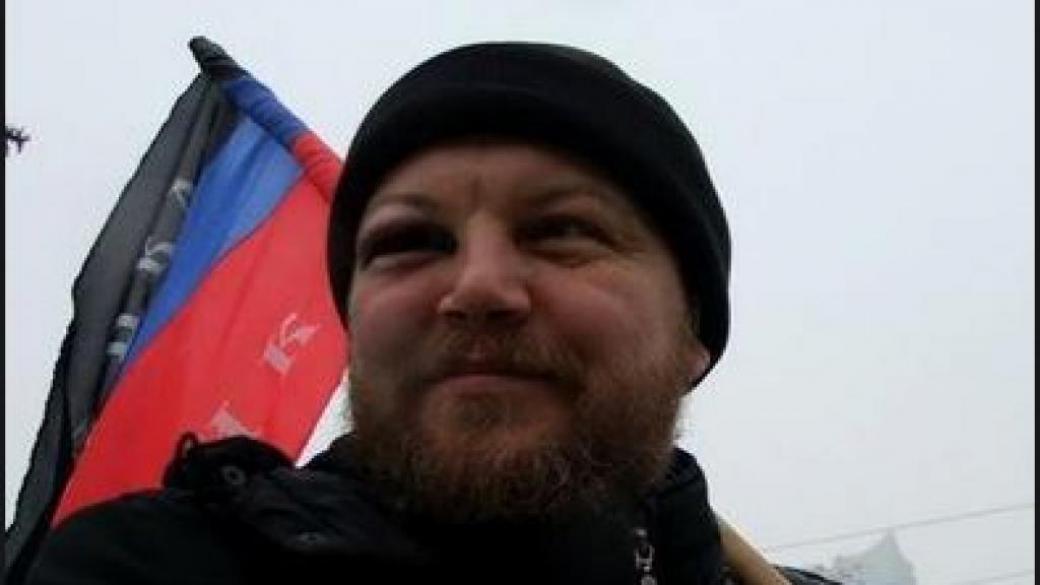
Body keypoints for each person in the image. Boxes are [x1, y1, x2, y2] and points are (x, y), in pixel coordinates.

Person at [26, 42, 835, 585]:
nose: (477, 286)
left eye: (561, 231)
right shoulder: (150, 565)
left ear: (695, 332)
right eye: (409, 242)